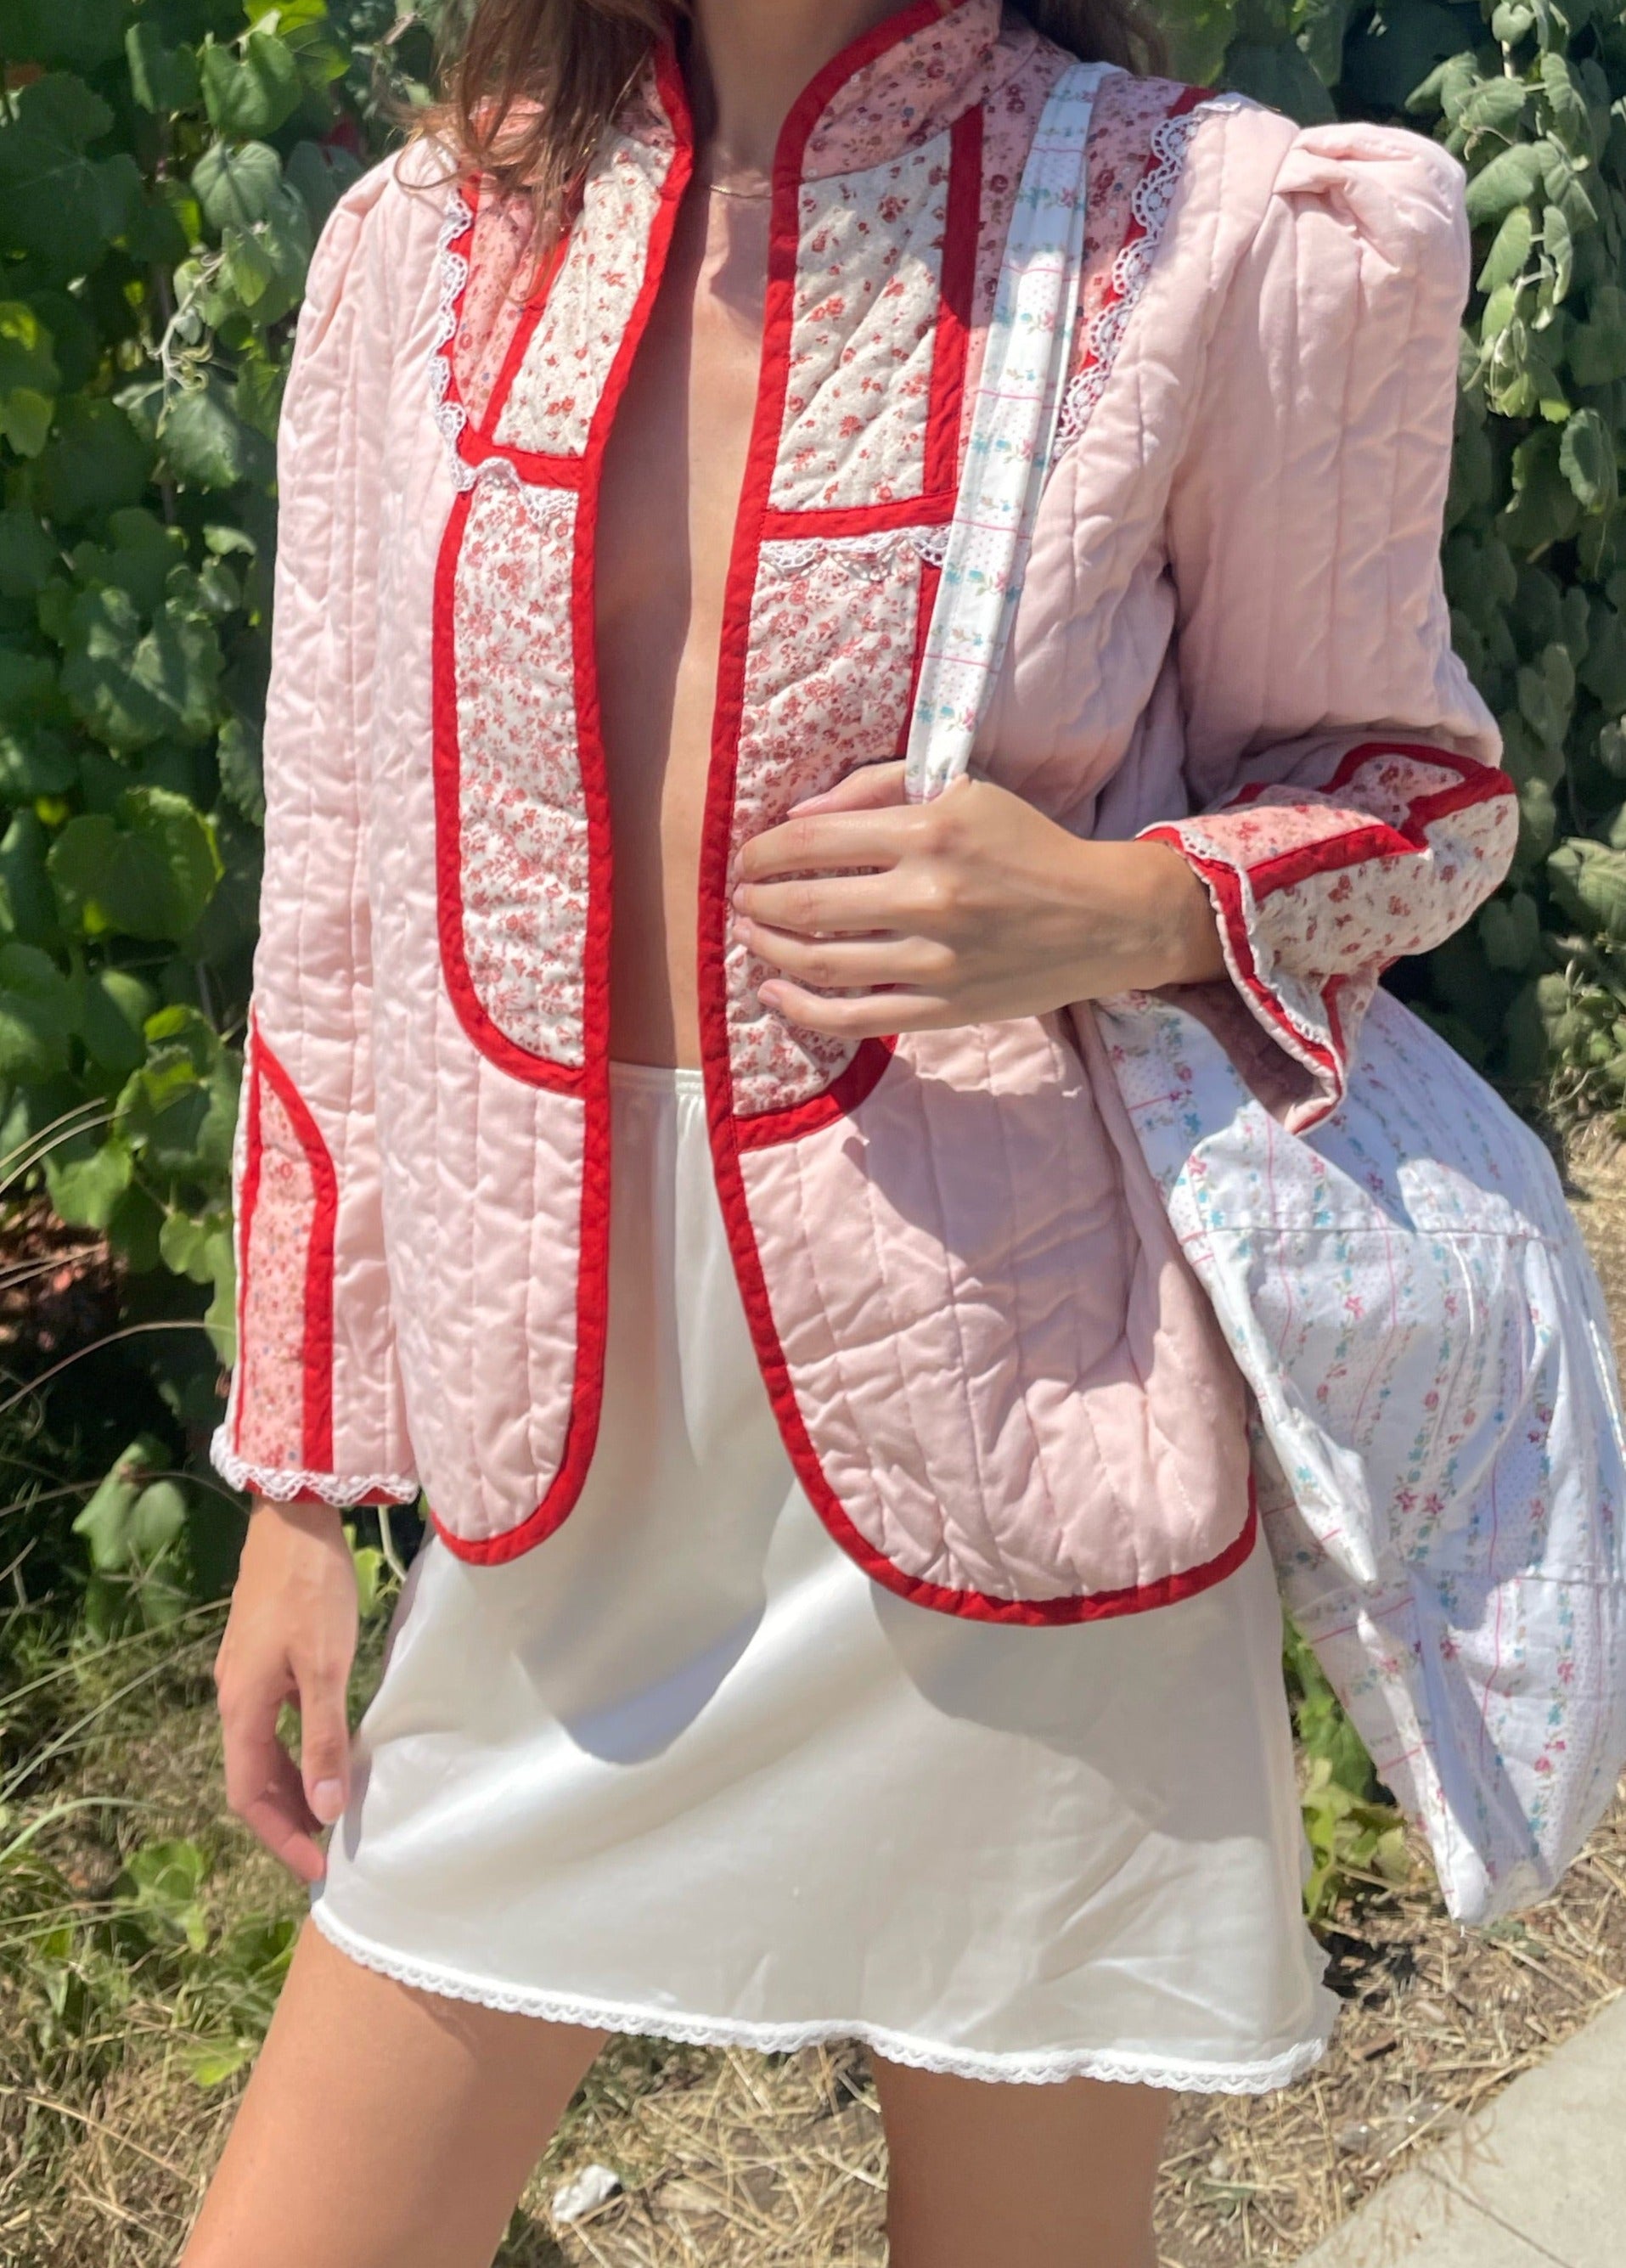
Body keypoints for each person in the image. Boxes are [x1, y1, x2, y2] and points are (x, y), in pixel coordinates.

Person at [181, 2, 1516, 2263]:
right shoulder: (427, 242)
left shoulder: (1212, 223)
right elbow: (333, 904)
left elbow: (1416, 801)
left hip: (1018, 1405)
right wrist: (302, 1485)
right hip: (562, 1440)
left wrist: (1107, 906)